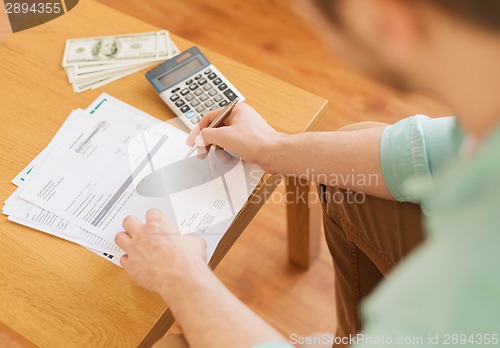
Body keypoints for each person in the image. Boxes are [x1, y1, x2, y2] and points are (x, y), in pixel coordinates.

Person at [115, 0, 500, 347]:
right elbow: (428, 150)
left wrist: (178, 274)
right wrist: (271, 148)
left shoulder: (470, 286)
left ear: (388, 22)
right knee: (352, 168)